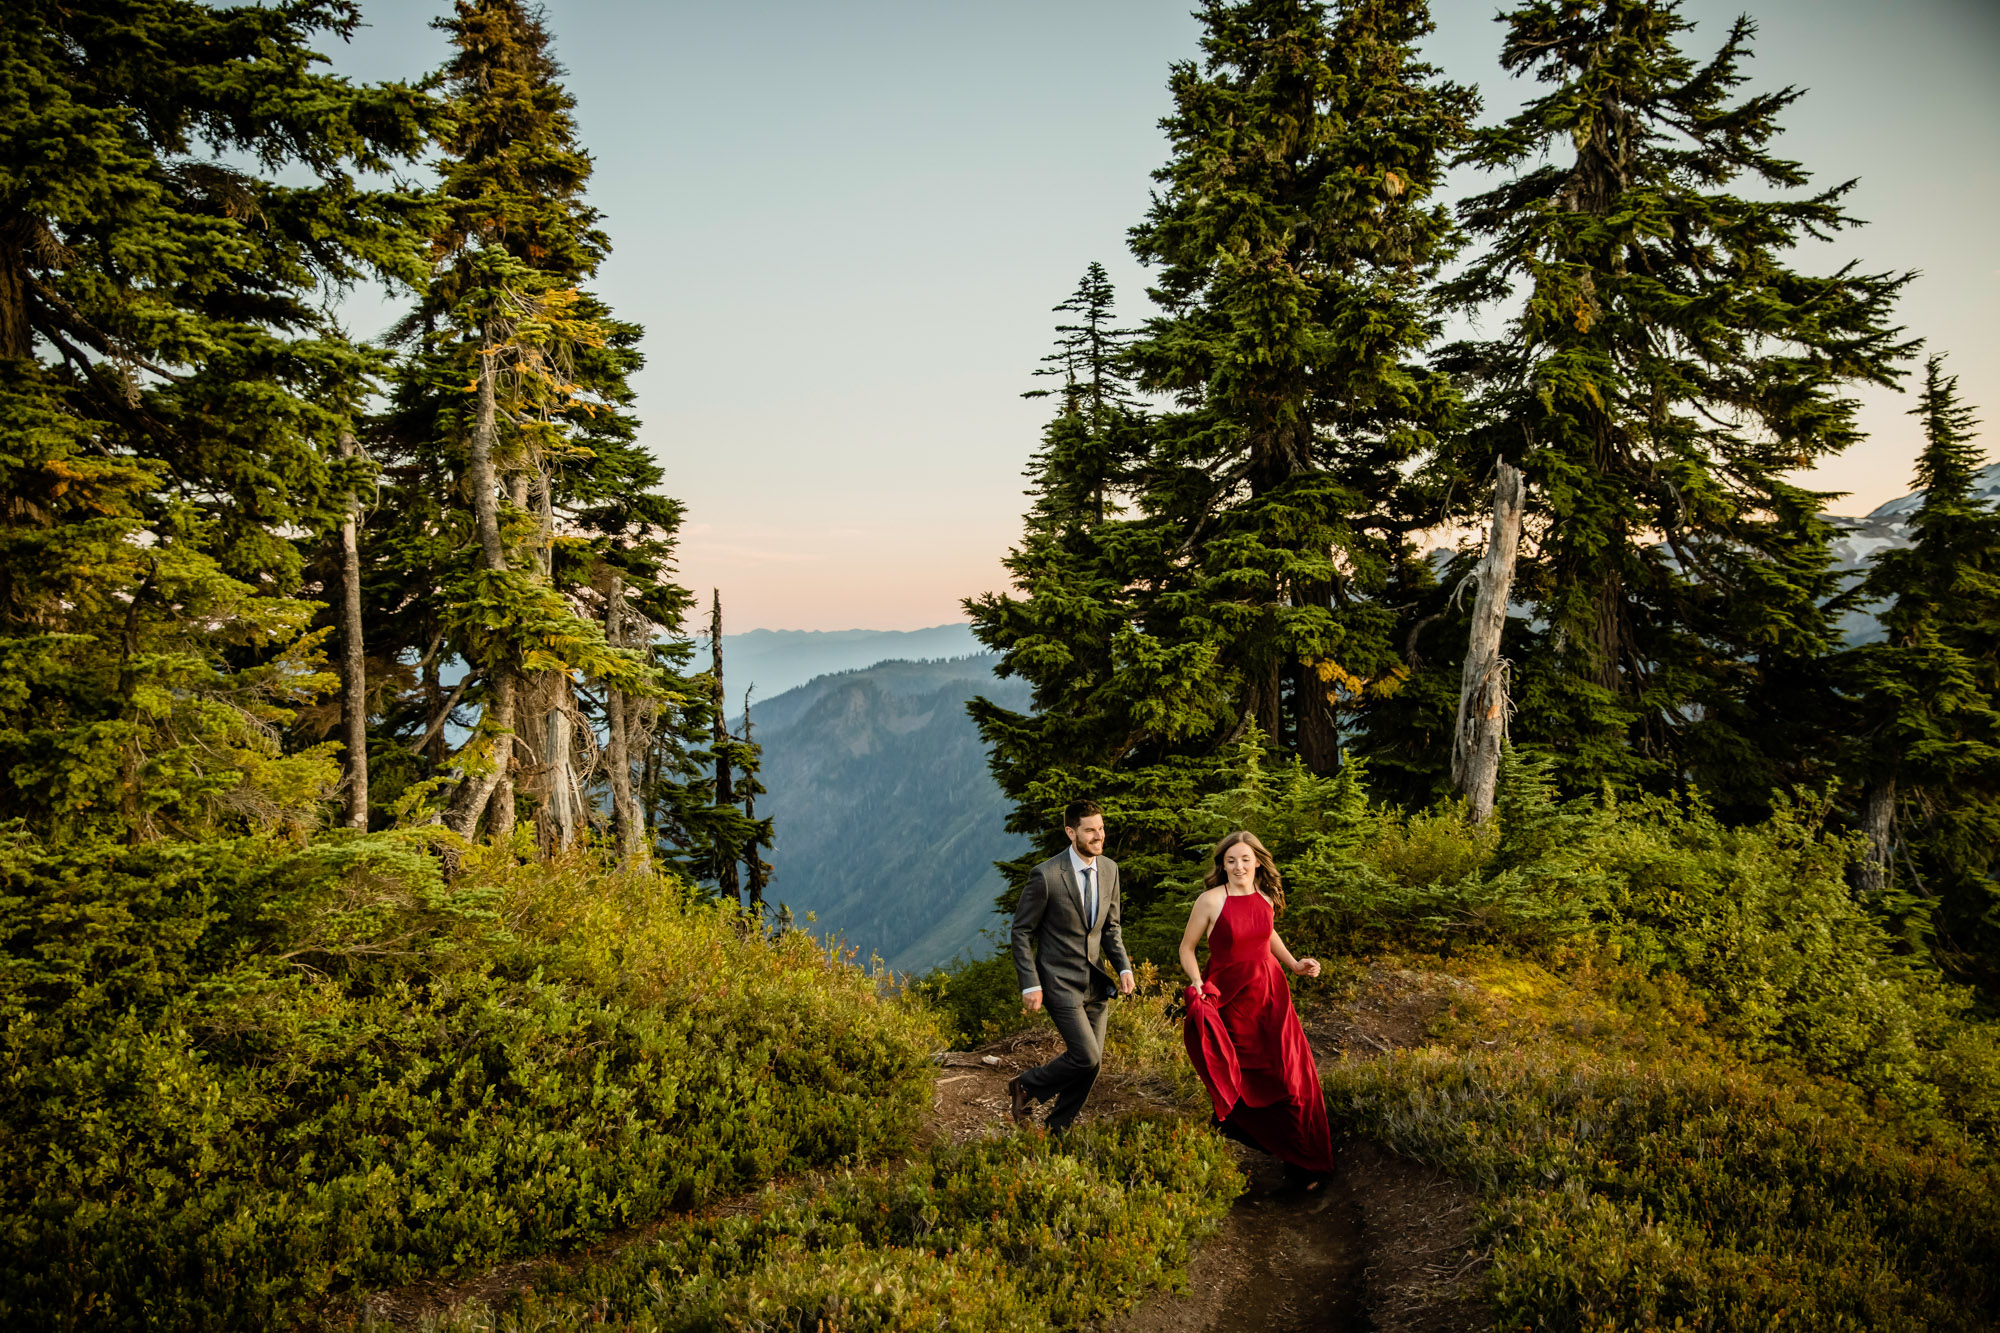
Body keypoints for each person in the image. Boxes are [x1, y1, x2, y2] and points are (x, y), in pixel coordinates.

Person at [1177, 830, 1334, 1185]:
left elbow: (1267, 934)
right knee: (1244, 1073)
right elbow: (1187, 948)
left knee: (1289, 1078)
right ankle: (1235, 1126)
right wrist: (1198, 984)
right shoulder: (1211, 900)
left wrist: (1294, 965)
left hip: (1271, 996)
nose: (1238, 866)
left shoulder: (1265, 897)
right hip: (1231, 998)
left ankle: (1300, 1160)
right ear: (1223, 865)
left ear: (1258, 862)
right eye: (1231, 860)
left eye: (1246, 859)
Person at [1007, 799, 1135, 1130]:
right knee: (1086, 1056)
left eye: (1101, 828)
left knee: (1091, 1065)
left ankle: (1057, 1129)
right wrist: (1031, 984)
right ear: (1071, 832)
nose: (1099, 836)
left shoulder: (1110, 870)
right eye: (1090, 830)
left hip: (1096, 983)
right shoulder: (1046, 876)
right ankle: (1026, 1085)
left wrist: (1123, 967)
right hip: (1059, 983)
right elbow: (1021, 932)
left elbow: (1111, 928)